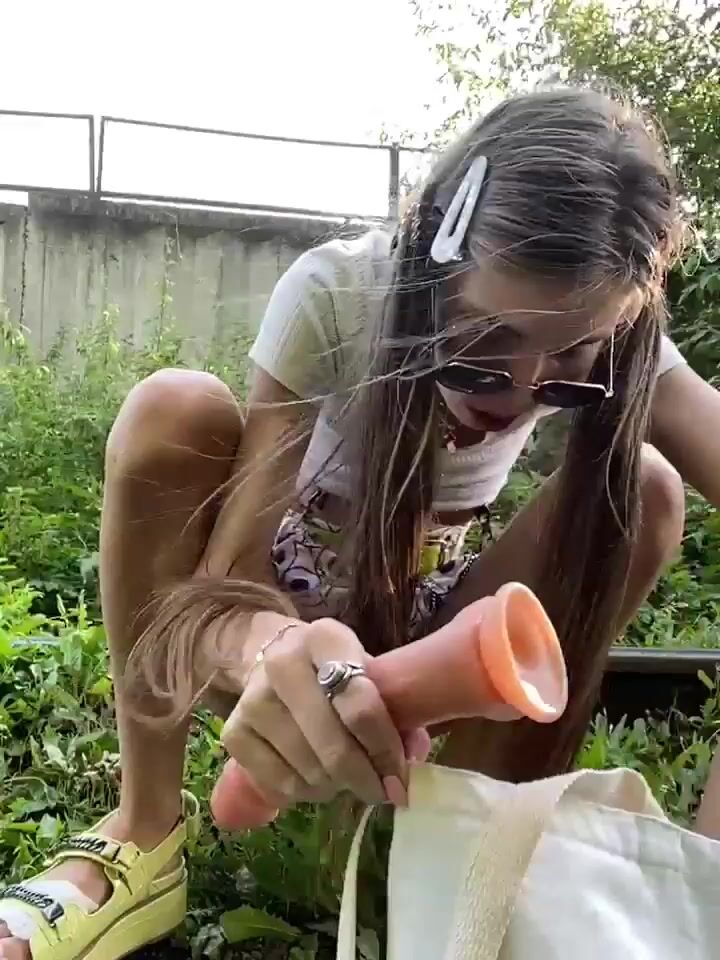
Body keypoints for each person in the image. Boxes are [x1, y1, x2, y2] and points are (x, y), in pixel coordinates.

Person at [1, 85, 719, 960]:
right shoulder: (340, 292)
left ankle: (465, 859)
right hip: (279, 623)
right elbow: (224, 585)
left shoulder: (619, 339)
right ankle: (142, 833)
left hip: (434, 643)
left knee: (645, 488)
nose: (518, 393)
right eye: (481, 346)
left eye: (567, 366)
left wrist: (709, 874)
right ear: (430, 268)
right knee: (173, 410)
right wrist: (278, 654)